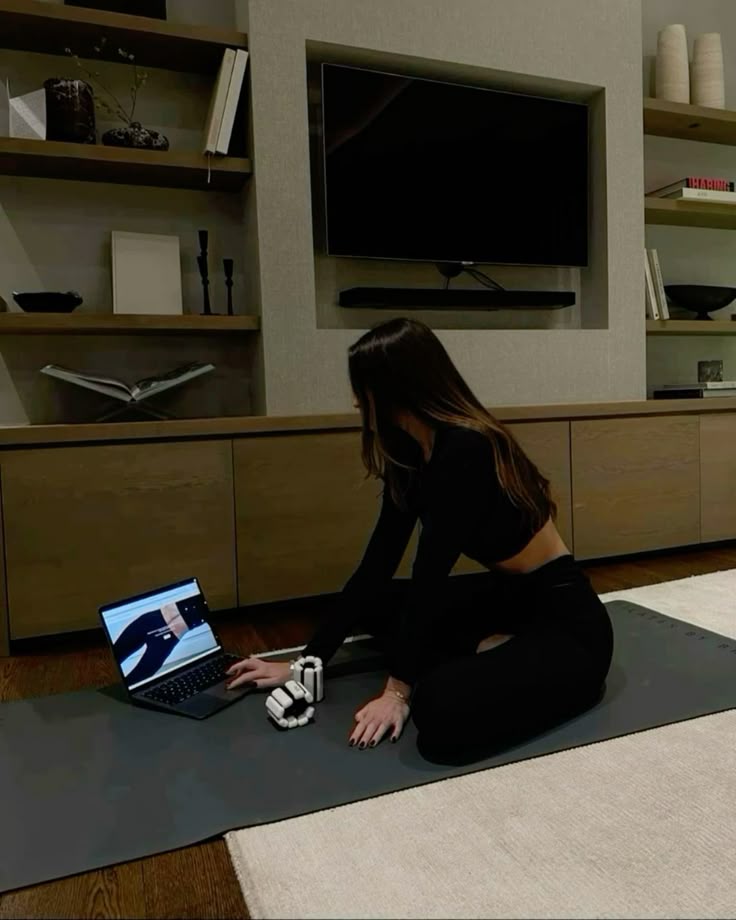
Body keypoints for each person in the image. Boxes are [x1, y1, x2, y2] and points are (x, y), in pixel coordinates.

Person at [226, 317, 614, 765]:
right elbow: (376, 566)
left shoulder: (467, 450)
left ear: (394, 388)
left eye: (362, 387)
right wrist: (306, 665)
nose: (355, 399)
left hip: (564, 621)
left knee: (438, 712)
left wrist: (397, 692)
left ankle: (500, 652)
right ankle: (491, 644)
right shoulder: (411, 453)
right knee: (374, 603)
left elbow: (429, 576)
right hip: (507, 601)